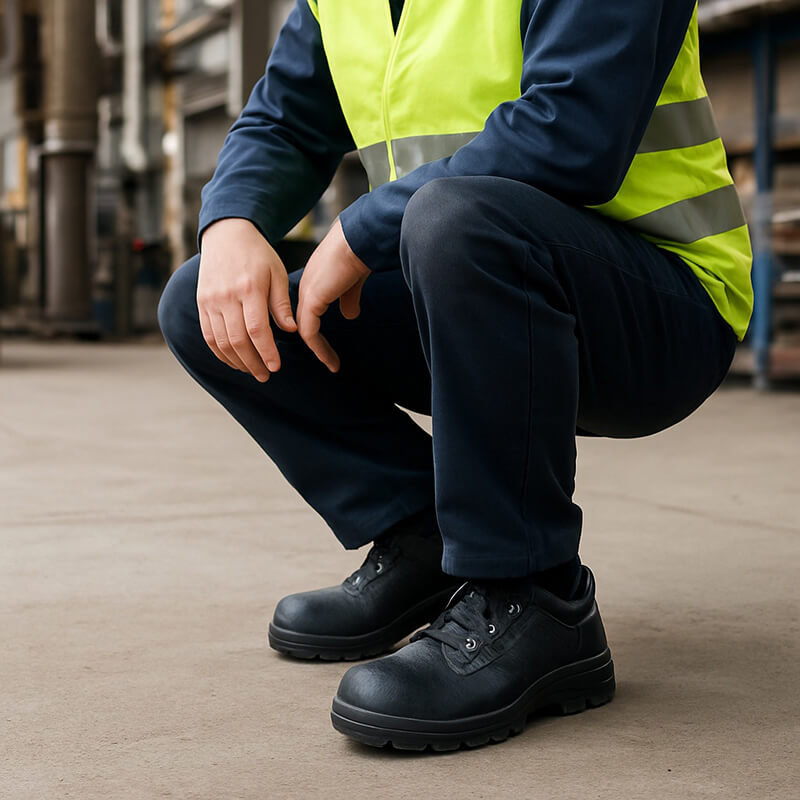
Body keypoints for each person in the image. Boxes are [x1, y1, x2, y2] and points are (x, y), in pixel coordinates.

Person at [158, 0, 752, 751]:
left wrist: (362, 229)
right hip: (471, 281)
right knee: (206, 304)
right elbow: (284, 120)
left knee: (455, 217)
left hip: (660, 307)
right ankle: (425, 543)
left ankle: (534, 593)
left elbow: (574, 128)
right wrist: (232, 223)